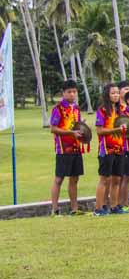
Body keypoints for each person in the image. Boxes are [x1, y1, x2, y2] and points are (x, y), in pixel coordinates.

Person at [49, 80, 86, 216]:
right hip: (63, 149)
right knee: (59, 178)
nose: (72, 94)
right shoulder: (58, 109)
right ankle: (54, 209)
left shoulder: (76, 108)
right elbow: (53, 128)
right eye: (69, 92)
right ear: (63, 93)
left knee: (74, 178)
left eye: (74, 91)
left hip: (76, 148)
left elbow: (77, 126)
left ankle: (74, 208)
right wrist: (71, 133)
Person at [94, 83, 128, 216]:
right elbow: (99, 130)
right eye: (113, 93)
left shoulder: (121, 111)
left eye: (117, 93)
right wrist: (117, 130)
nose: (116, 95)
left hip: (119, 148)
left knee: (117, 179)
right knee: (104, 179)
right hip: (106, 149)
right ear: (107, 95)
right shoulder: (102, 110)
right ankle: (98, 208)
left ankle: (114, 206)